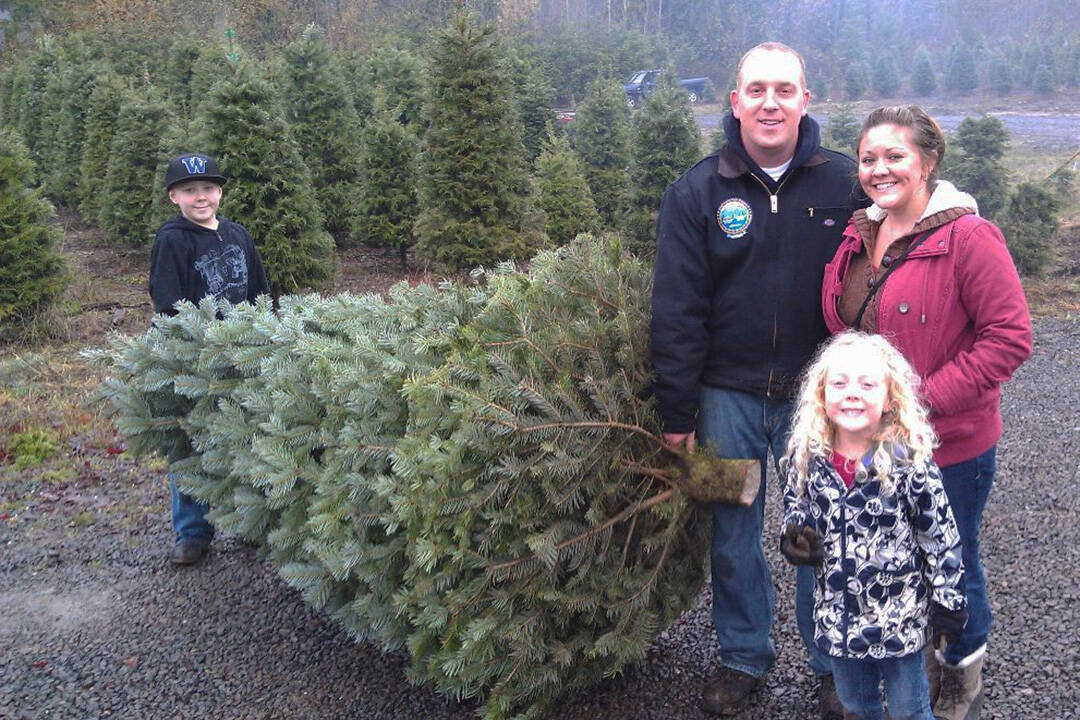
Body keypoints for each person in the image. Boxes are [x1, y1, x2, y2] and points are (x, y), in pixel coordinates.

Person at [650, 42, 861, 717]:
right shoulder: (696, 191)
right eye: (757, 90)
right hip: (723, 402)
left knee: (820, 534)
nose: (771, 102)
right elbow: (678, 309)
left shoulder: (846, 185)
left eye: (785, 89)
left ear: (806, 98)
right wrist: (678, 413)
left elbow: (908, 233)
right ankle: (743, 657)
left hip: (818, 405)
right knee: (732, 534)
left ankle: (832, 666)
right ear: (735, 102)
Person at [821, 105, 1032, 719]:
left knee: (952, 556)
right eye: (868, 158)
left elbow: (1009, 337)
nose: (879, 169)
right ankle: (905, 656)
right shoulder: (860, 232)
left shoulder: (968, 237)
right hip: (870, 443)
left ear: (928, 161)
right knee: (894, 555)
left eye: (895, 156)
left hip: (949, 445)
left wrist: (915, 403)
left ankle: (962, 664)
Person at [780, 331, 968, 720]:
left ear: (890, 398)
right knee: (856, 705)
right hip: (839, 619)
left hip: (897, 620)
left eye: (867, 384)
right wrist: (795, 534)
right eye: (840, 383)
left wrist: (948, 603)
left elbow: (940, 536)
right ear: (821, 394)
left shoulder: (908, 463)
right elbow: (797, 503)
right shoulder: (809, 456)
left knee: (908, 709)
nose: (852, 393)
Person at [149, 153, 270, 566]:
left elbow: (259, 290)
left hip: (242, 352)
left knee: (248, 437)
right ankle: (193, 532)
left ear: (219, 192)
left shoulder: (238, 235)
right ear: (173, 197)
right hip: (195, 359)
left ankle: (253, 520)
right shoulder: (172, 240)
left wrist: (265, 334)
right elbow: (167, 303)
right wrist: (186, 349)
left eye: (207, 188)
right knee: (189, 444)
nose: (200, 197)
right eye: (189, 190)